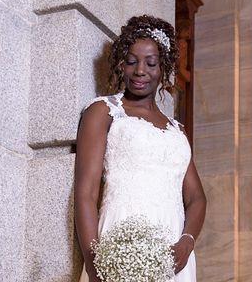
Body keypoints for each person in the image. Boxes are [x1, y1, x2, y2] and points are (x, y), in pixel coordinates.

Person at [75, 15, 207, 281]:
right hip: (121, 242)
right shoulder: (104, 111)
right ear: (121, 64)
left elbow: (196, 198)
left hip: (173, 253)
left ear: (163, 68)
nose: (140, 71)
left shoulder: (177, 130)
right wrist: (94, 265)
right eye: (132, 61)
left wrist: (187, 241)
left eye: (151, 63)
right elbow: (85, 193)